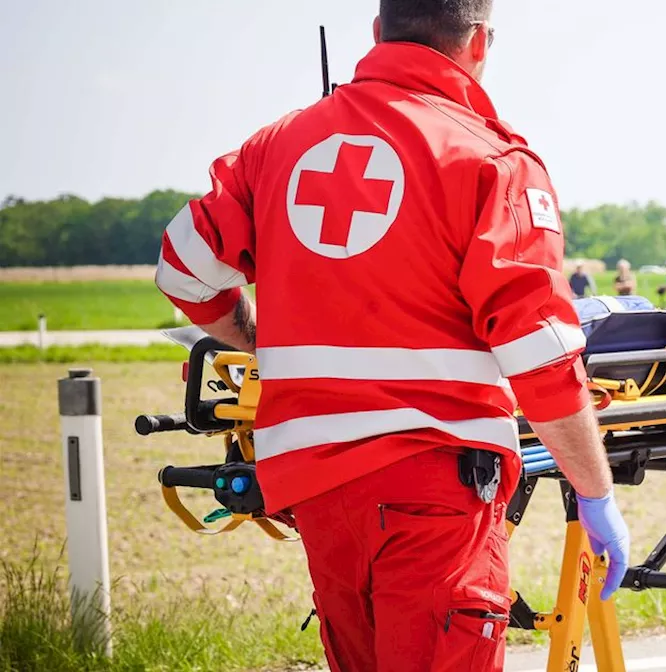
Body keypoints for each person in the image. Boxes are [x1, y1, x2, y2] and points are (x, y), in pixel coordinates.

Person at [152, 2, 630, 669]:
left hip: (314, 488)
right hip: (432, 487)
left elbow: (182, 271)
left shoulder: (274, 146)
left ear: (378, 32)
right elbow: (538, 350)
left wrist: (257, 342)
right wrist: (596, 492)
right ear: (481, 42)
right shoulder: (491, 158)